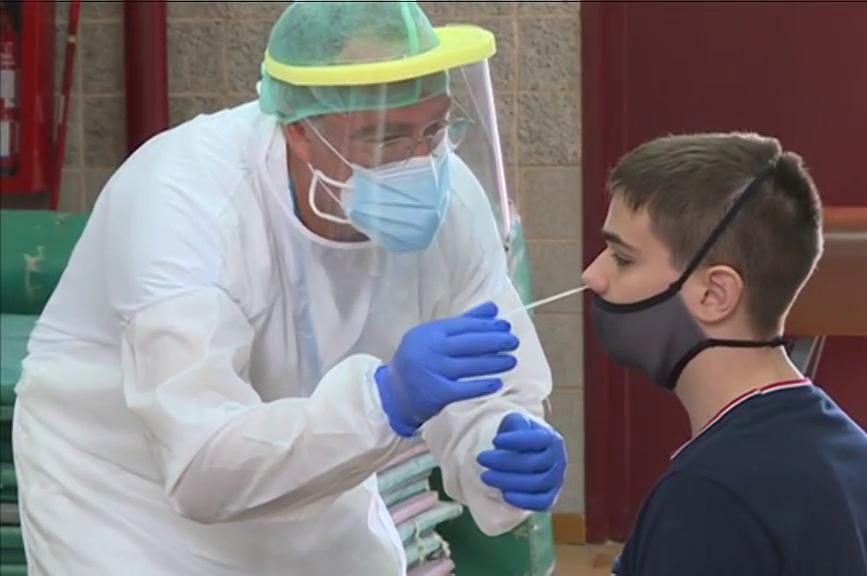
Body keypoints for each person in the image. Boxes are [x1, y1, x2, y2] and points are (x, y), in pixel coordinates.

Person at [12, 2, 566, 574]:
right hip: (127, 497)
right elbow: (201, 465)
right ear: (300, 131)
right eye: (386, 137)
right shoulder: (184, 202)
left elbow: (491, 381)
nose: (421, 163)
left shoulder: (449, 201)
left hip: (312, 459)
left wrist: (500, 444)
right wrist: (384, 401)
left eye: (435, 128)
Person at [583, 133, 867, 575]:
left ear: (715, 294)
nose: (592, 275)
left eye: (623, 258)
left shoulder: (708, 496)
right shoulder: (852, 449)